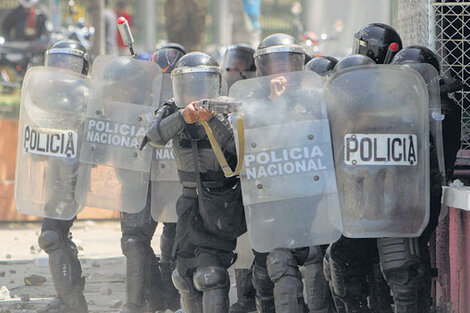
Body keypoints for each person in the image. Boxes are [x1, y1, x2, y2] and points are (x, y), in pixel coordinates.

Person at [141, 51, 246, 313]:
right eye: (188, 86)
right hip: (188, 202)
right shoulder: (170, 108)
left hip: (221, 200)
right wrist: (182, 117)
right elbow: (153, 136)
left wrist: (212, 119)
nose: (194, 94)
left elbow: (237, 148)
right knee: (184, 276)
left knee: (211, 275)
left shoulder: (229, 110)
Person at [247, 33, 334, 313]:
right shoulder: (251, 104)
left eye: (289, 63)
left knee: (325, 268)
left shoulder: (315, 99)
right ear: (264, 68)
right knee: (277, 268)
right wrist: (274, 101)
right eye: (276, 64)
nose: (283, 71)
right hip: (274, 200)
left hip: (315, 199)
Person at [119, 44, 186, 313]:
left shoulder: (197, 100)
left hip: (180, 180)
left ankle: (175, 302)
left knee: (177, 240)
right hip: (144, 178)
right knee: (133, 239)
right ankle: (140, 302)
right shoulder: (137, 100)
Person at [35, 40, 90, 313]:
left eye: (66, 63)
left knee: (52, 236)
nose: (59, 68)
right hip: (54, 175)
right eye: (55, 62)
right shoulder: (46, 95)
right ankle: (68, 295)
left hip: (72, 175)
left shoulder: (83, 94)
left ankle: (72, 301)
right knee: (56, 236)